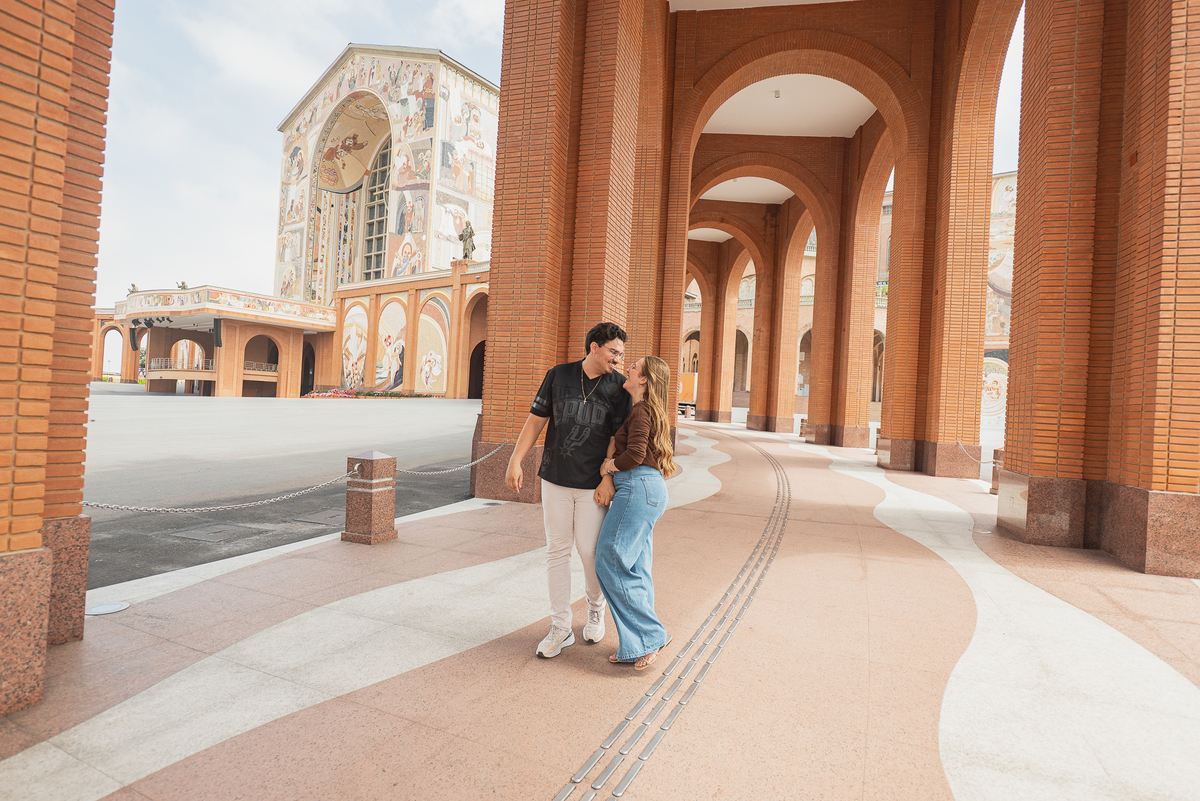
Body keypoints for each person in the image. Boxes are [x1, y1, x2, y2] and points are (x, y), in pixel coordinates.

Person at [505, 322, 632, 658]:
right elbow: (536, 420)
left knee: (590, 552)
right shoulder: (558, 375)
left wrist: (608, 478)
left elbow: (617, 438)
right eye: (613, 352)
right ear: (593, 346)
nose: (618, 359)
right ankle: (560, 626)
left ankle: (594, 607)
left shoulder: (619, 387)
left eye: (621, 354)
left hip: (593, 485)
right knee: (557, 551)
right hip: (555, 479)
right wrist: (515, 460)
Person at [596, 355, 676, 671]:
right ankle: (642, 640)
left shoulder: (642, 410)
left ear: (643, 379)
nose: (627, 368)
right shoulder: (645, 410)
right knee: (637, 567)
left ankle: (649, 635)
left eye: (633, 367)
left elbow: (635, 455)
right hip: (649, 490)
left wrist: (609, 466)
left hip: (637, 487)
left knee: (609, 559)